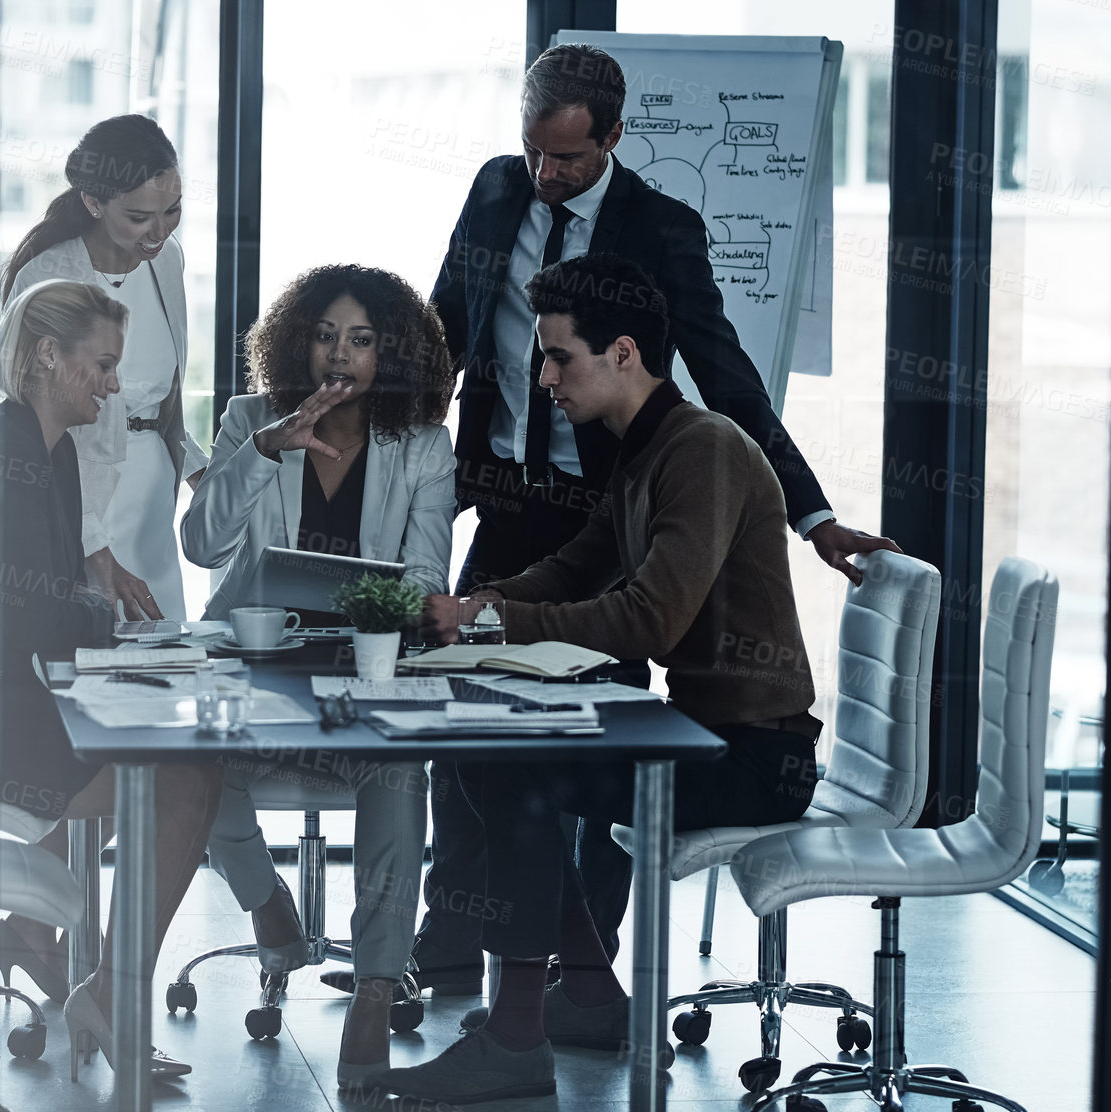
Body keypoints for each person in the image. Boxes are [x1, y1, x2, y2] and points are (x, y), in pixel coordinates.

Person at [410, 42, 897, 990]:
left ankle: (579, 974)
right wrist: (387, 448)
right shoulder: (496, 191)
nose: (546, 178)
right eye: (534, 154)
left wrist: (811, 512)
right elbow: (444, 326)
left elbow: (723, 369)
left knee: (597, 735)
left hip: (610, 507)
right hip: (506, 501)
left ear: (614, 139)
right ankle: (451, 946)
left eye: (568, 161)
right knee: (461, 719)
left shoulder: (661, 231)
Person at [377, 253, 821, 1103]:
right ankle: (584, 991)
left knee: (516, 771)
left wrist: (494, 623)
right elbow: (580, 564)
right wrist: (477, 604)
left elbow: (649, 617)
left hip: (754, 761)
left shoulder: (706, 452)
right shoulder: (648, 447)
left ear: (622, 353)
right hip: (702, 735)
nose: (541, 376)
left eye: (558, 357)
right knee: (496, 760)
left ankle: (515, 1042)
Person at [0, 280, 221, 1078]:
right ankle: (108, 993)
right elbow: (31, 617)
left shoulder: (37, 446)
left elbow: (50, 606)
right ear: (48, 356)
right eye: (103, 364)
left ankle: (46, 944)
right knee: (183, 775)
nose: (115, 385)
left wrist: (119, 636)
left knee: (176, 765)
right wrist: (126, 636)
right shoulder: (3, 456)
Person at [180, 264, 455, 1088]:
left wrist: (366, 604)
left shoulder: (422, 444)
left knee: (399, 773)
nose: (340, 353)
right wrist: (266, 450)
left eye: (362, 339)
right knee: (193, 766)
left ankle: (376, 985)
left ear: (391, 351)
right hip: (256, 668)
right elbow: (203, 544)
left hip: (364, 673)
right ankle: (270, 906)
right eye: (326, 334)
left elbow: (427, 576)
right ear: (297, 340)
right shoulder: (248, 419)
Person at [1, 114, 208, 622]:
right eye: (140, 216)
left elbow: (154, 396)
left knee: (164, 656)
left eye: (173, 210)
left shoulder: (167, 260)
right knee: (88, 661)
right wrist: (94, 546)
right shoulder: (47, 276)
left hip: (152, 495)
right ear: (94, 203)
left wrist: (197, 466)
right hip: (80, 500)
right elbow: (35, 432)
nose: (159, 231)